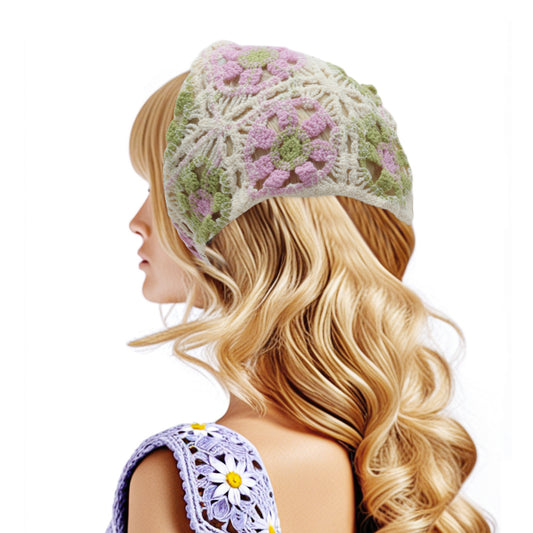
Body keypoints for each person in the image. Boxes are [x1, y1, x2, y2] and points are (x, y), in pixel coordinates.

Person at [106, 40, 495, 533]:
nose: (137, 221)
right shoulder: (384, 466)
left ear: (236, 221)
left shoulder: (194, 478)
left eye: (159, 189)